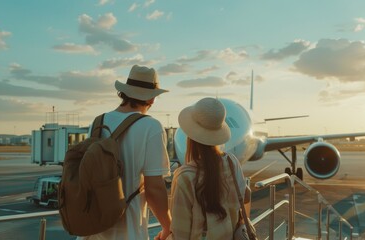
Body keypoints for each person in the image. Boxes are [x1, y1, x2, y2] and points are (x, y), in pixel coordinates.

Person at [78, 65, 172, 240]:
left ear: (125, 93)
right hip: (128, 231)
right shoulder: (151, 126)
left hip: (91, 229)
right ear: (151, 99)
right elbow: (154, 188)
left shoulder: (98, 122)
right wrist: (167, 226)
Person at [170, 97, 251, 239]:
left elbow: (180, 232)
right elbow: (246, 196)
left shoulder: (184, 177)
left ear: (190, 135)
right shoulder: (232, 162)